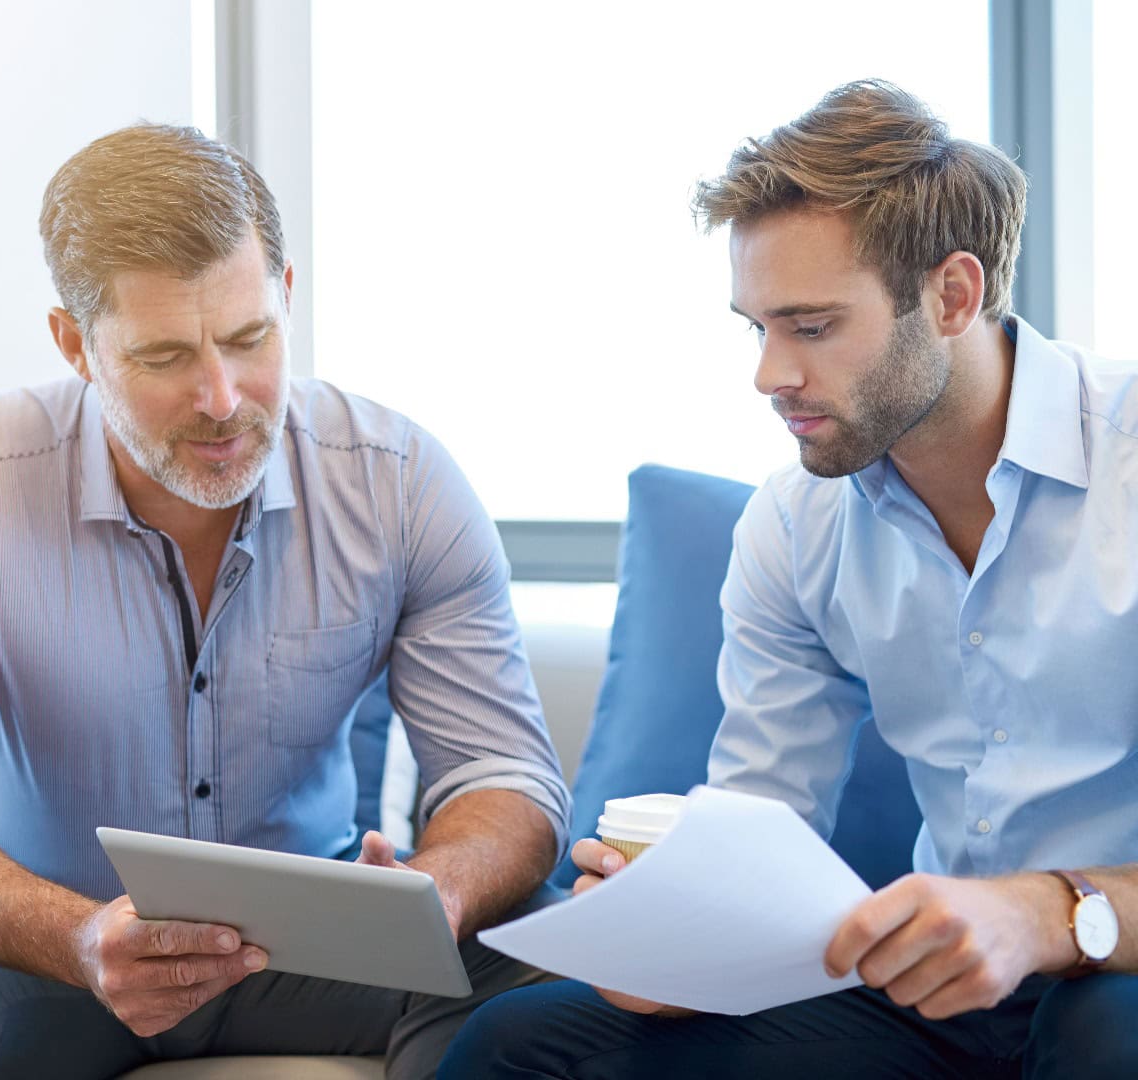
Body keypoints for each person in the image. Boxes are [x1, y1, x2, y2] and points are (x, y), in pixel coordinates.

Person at [0, 122, 570, 1079]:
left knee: (548, 953)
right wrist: (80, 939)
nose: (221, 397)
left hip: (318, 954)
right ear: (75, 343)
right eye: (164, 357)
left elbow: (508, 776)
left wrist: (440, 894)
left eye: (250, 339)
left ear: (286, 295)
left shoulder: (400, 482)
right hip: (45, 955)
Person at [440, 80, 1138, 1080]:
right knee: (521, 1046)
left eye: (811, 328)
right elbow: (760, 835)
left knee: (1108, 1041)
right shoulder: (797, 524)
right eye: (757, 327)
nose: (770, 374)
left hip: (1117, 975)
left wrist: (1053, 912)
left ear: (952, 295)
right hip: (936, 999)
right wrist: (673, 941)